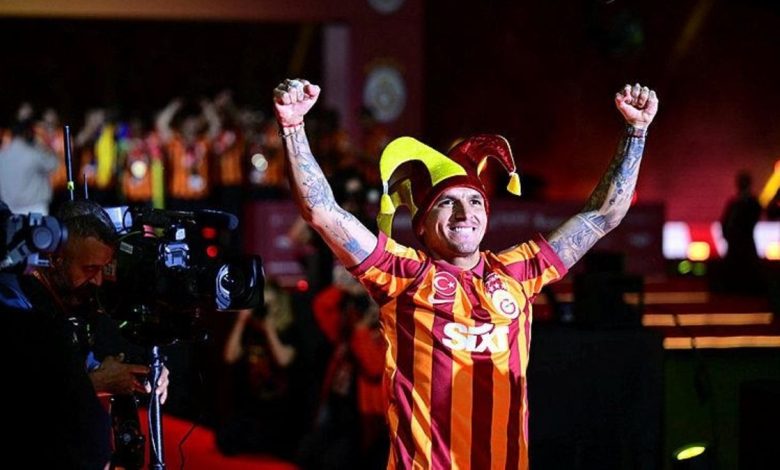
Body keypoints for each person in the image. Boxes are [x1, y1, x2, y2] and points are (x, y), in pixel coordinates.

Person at [273, 78, 658, 469]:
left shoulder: (518, 271)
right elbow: (322, 211)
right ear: (422, 225)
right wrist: (292, 127)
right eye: (447, 202)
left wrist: (636, 131)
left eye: (475, 200)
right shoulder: (401, 274)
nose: (465, 213)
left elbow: (601, 217)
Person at [15, 199, 169, 468]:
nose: (98, 281)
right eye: (89, 269)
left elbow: (76, 368)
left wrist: (140, 375)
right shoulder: (16, 305)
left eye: (103, 269)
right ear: (54, 259)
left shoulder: (71, 306)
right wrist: (96, 383)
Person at [718, 170, 764, 294]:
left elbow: (747, 221)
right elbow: (725, 222)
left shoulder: (751, 203)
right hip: (735, 246)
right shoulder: (735, 203)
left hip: (744, 245)